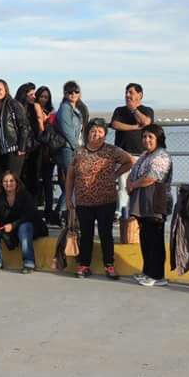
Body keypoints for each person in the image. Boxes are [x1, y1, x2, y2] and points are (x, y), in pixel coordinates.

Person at [65, 119, 133, 279]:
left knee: (105, 233)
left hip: (106, 201)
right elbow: (70, 176)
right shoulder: (79, 152)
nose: (97, 134)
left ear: (105, 134)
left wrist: (115, 174)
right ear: (87, 134)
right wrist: (69, 198)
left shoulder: (112, 150)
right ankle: (84, 265)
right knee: (86, 234)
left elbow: (129, 161)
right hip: (83, 201)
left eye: (100, 131)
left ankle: (109, 265)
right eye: (93, 131)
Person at [127, 125, 173, 287]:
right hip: (142, 202)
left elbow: (152, 177)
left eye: (150, 137)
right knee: (145, 238)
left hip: (155, 201)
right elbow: (133, 172)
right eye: (144, 136)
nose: (146, 140)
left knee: (155, 239)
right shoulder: (146, 155)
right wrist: (129, 182)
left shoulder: (162, 156)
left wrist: (133, 185)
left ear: (158, 139)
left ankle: (157, 275)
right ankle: (147, 271)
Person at [0, 171, 47, 273]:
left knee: (24, 227)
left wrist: (13, 225)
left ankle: (29, 263)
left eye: (11, 181)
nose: (8, 183)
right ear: (1, 183)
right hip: (9, 226)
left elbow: (28, 215)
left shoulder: (25, 195)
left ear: (17, 182)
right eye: (5, 181)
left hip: (27, 225)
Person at [111, 83, 155, 220]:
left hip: (140, 155)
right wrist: (135, 127)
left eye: (130, 92)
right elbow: (115, 124)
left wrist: (134, 110)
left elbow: (146, 122)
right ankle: (121, 213)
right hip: (122, 155)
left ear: (139, 95)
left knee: (140, 185)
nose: (127, 95)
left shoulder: (147, 110)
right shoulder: (119, 110)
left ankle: (138, 213)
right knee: (123, 185)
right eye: (126, 92)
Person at [55, 81, 89, 213]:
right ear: (65, 94)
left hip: (75, 148)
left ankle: (63, 210)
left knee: (73, 180)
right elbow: (67, 130)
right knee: (72, 180)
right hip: (68, 149)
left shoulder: (77, 108)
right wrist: (78, 148)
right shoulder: (65, 108)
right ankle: (61, 211)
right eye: (69, 92)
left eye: (76, 91)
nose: (73, 94)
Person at [0, 79, 29, 180]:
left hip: (14, 149)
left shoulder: (13, 104)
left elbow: (24, 126)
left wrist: (21, 147)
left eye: (0, 89)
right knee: (3, 181)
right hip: (1, 150)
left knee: (12, 180)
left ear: (6, 90)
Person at [15, 82, 45, 198]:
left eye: (34, 94)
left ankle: (33, 203)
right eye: (31, 94)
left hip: (34, 146)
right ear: (24, 95)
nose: (34, 97)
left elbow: (40, 126)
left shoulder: (35, 107)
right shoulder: (17, 107)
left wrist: (38, 111)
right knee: (21, 176)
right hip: (21, 147)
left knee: (34, 176)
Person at [34, 86, 56, 223]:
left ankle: (49, 211)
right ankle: (35, 211)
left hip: (48, 150)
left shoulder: (52, 113)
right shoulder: (33, 110)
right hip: (36, 150)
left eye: (46, 97)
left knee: (48, 182)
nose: (43, 99)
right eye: (41, 96)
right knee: (36, 181)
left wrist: (45, 120)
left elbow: (46, 132)